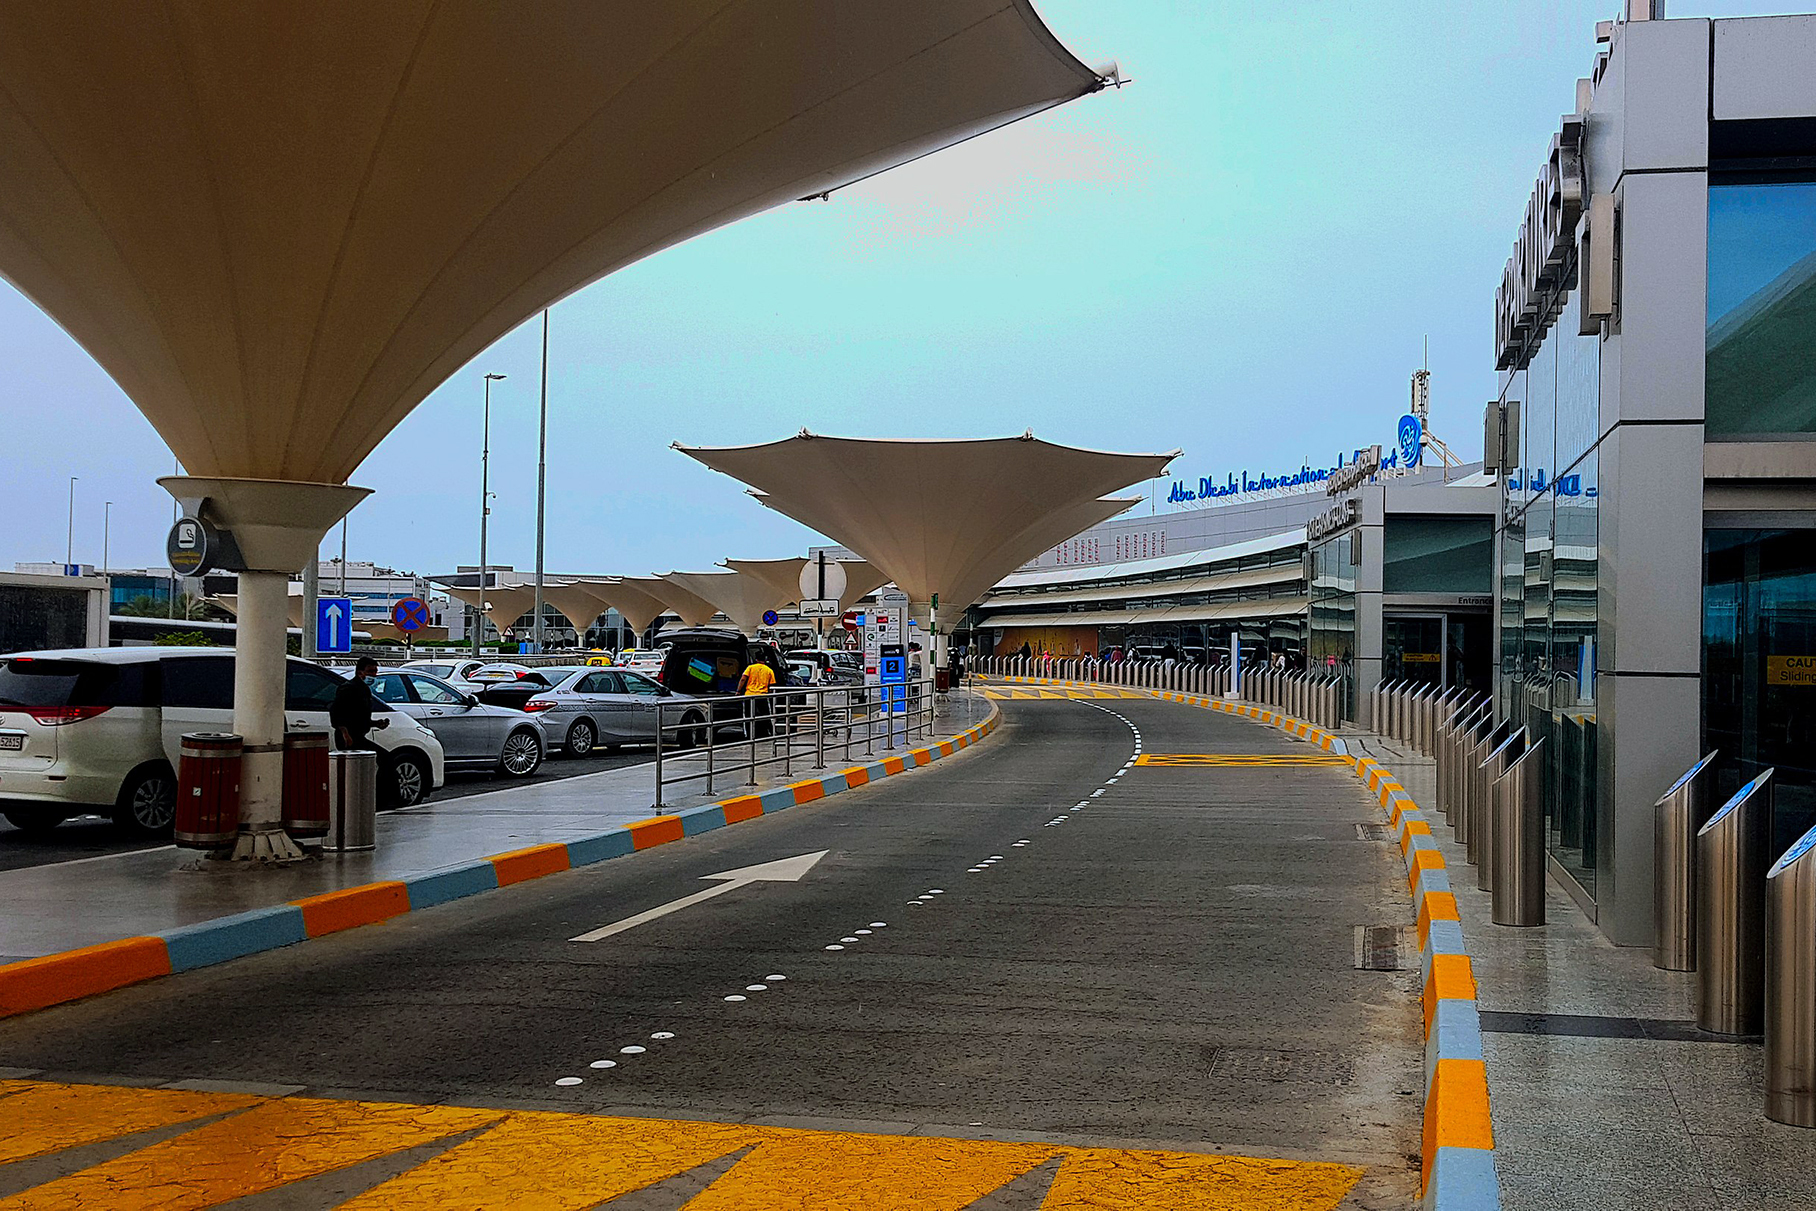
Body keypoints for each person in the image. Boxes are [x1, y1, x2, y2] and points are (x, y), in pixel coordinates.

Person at [330, 657, 388, 751]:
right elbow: (336, 713)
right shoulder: (348, 688)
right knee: (382, 756)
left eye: (375, 671)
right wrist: (345, 734)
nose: (374, 675)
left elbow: (359, 717)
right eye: (370, 671)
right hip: (348, 737)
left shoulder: (365, 689)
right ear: (360, 672)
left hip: (359, 735)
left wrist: (376, 723)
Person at [736, 655, 776, 739]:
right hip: (762, 696)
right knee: (765, 715)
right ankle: (770, 732)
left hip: (749, 695)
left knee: (748, 716)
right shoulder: (769, 670)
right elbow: (771, 685)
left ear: (756, 659)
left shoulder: (750, 668)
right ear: (765, 660)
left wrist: (738, 690)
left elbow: (743, 679)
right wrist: (770, 694)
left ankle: (749, 734)